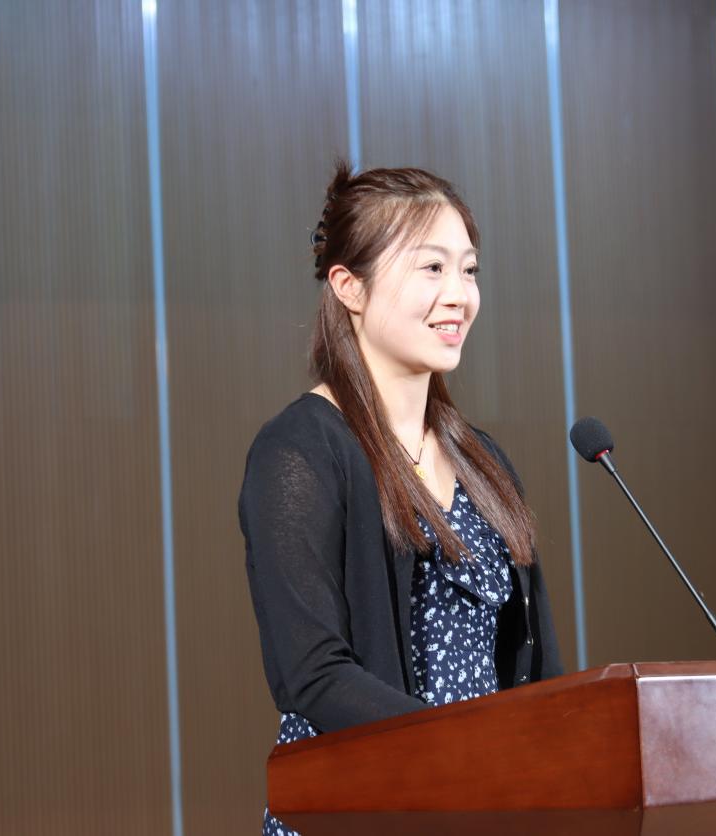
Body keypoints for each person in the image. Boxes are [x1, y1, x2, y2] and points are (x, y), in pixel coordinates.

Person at [238, 162, 563, 836]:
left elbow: (536, 671)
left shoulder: (482, 460)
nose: (458, 296)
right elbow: (312, 674)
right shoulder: (300, 449)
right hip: (362, 808)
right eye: (431, 268)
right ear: (348, 287)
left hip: (481, 808)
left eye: (468, 270)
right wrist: (464, 755)